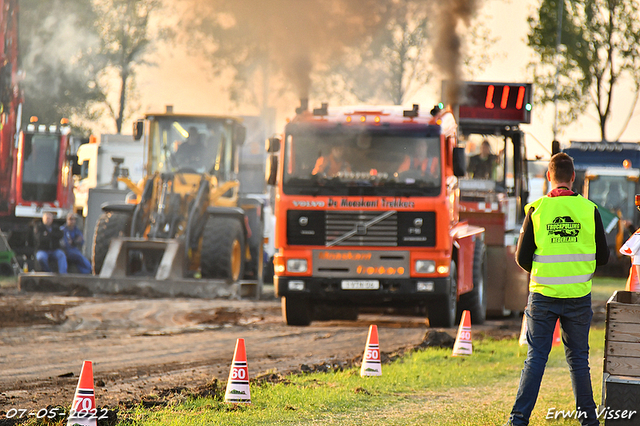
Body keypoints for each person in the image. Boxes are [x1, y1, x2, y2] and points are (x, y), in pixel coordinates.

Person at [505, 153, 609, 426]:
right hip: (578, 296)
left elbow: (522, 258)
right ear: (573, 177)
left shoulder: (536, 210)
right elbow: (605, 256)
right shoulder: (590, 210)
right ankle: (589, 421)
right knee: (578, 360)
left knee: (536, 357)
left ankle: (518, 420)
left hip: (543, 296)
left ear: (549, 177)